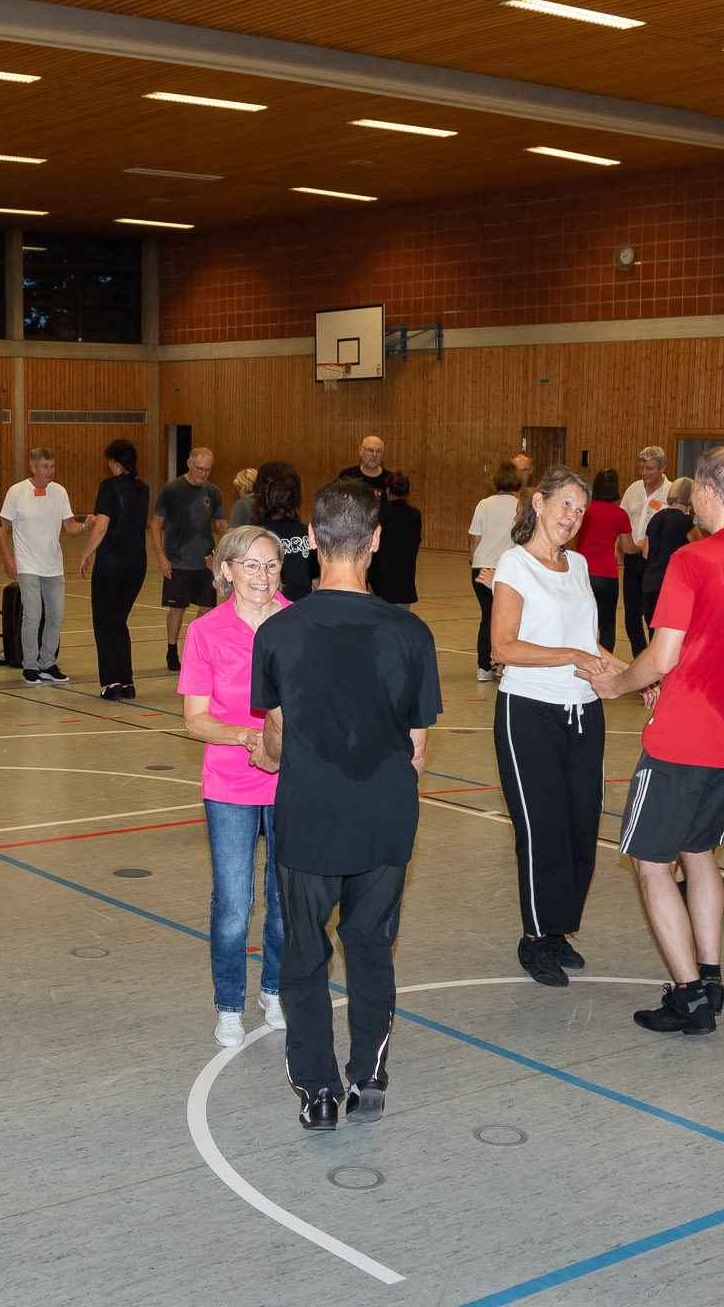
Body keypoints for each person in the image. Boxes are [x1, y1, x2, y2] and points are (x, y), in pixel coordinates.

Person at [249, 478, 441, 1131]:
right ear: (376, 539)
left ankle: (319, 1091)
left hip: (309, 817)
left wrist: (276, 757)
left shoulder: (278, 631)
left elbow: (275, 736)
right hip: (386, 817)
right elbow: (416, 750)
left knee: (305, 953)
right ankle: (370, 1076)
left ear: (310, 538)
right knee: (370, 946)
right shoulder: (411, 633)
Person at [595, 448, 724, 1034]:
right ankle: (710, 979)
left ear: (710, 493)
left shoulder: (693, 559)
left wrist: (618, 683)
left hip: (683, 738)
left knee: (651, 863)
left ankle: (689, 998)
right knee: (700, 850)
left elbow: (662, 657)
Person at [489, 467, 611, 987]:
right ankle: (535, 938)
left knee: (580, 828)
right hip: (529, 712)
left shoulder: (578, 565)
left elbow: (588, 643)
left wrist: (635, 676)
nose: (573, 516)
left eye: (580, 509)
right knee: (542, 830)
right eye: (565, 504)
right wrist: (574, 656)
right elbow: (504, 646)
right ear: (538, 503)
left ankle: (559, 930)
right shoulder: (514, 564)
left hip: (584, 712)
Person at [179, 524, 291, 1047]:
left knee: (285, 897)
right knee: (232, 903)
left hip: (291, 783)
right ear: (226, 570)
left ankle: (274, 989)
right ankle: (228, 1004)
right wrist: (250, 736)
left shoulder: (298, 623)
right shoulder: (205, 631)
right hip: (229, 782)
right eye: (250, 565)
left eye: (271, 565)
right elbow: (195, 720)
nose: (262, 576)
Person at [0, 448, 87, 685]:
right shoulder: (17, 492)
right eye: (46, 466)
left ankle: (47, 663)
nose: (50, 471)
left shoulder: (59, 492)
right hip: (27, 565)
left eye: (52, 466)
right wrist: (7, 557)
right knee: (33, 616)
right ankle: (30, 666)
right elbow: (1, 527)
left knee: (56, 616)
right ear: (33, 467)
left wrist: (86, 525)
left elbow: (70, 527)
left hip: (54, 566)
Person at [77, 440, 150, 700]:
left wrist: (86, 554)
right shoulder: (143, 489)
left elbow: (102, 526)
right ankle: (127, 682)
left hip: (111, 565)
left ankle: (112, 683)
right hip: (137, 565)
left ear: (114, 462)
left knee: (103, 622)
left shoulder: (109, 487)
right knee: (118, 621)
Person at [153, 446, 227, 670]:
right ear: (189, 464)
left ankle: (192, 647)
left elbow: (222, 525)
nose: (203, 474)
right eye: (200, 468)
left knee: (207, 607)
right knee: (178, 608)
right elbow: (156, 523)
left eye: (208, 470)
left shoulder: (213, 491)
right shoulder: (172, 489)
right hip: (177, 560)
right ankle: (171, 650)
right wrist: (161, 556)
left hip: (205, 562)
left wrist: (217, 552)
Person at [468, 461, 525, 682]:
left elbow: (476, 539)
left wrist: (474, 561)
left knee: (487, 618)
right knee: (508, 620)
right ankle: (505, 664)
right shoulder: (519, 505)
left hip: (481, 567)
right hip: (507, 569)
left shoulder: (484, 504)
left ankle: (483, 667)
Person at [571, 469, 632, 652]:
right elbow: (628, 547)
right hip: (607, 574)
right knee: (607, 624)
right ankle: (604, 662)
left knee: (581, 620)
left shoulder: (584, 510)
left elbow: (571, 540)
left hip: (583, 571)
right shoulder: (620, 514)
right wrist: (641, 545)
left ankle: (581, 658)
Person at [618, 446, 669, 656]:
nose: (644, 473)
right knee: (631, 617)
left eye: (650, 468)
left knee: (652, 617)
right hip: (632, 559)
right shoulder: (633, 489)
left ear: (662, 468)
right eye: (641, 468)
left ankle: (654, 661)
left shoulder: (671, 492)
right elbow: (621, 519)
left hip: (657, 562)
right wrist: (618, 548)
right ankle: (640, 659)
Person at [249, 461, 319, 603]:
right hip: (297, 612)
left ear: (259, 492)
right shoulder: (309, 535)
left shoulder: (249, 536)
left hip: (268, 613)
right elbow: (319, 585)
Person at [637, 477, 696, 625]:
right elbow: (702, 550)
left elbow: (645, 553)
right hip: (673, 585)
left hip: (650, 585)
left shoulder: (655, 518)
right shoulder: (686, 522)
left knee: (654, 634)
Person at [370, 472, 422, 608]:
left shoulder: (379, 514)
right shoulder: (415, 515)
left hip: (381, 579)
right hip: (405, 578)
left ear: (387, 490)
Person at [337, 435, 391, 499]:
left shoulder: (390, 479)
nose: (374, 455)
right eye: (370, 450)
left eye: (378, 451)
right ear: (361, 451)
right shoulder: (347, 476)